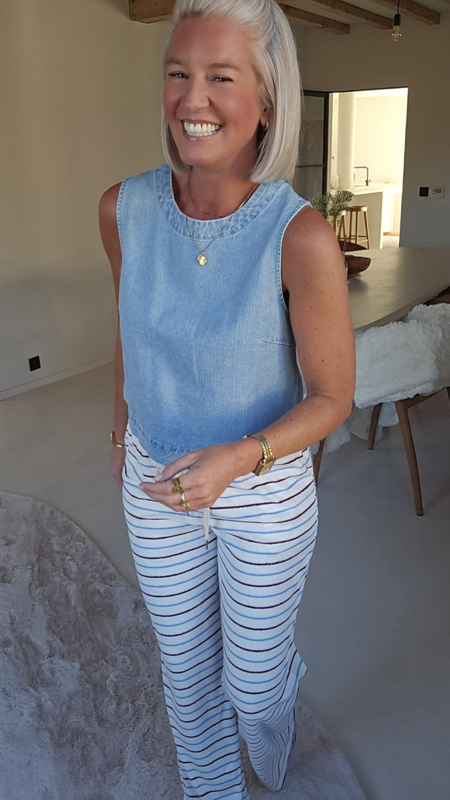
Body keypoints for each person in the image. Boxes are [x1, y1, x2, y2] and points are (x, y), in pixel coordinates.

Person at [99, 0, 355, 797]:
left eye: (221, 77)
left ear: (266, 104)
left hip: (265, 492)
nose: (193, 99)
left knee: (250, 682)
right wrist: (122, 433)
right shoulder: (121, 209)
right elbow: (131, 330)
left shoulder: (299, 235)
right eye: (178, 73)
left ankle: (271, 703)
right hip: (158, 483)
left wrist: (239, 459)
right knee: (185, 677)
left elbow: (333, 397)